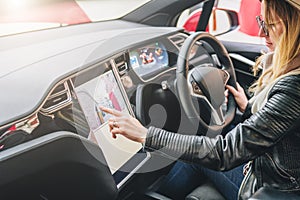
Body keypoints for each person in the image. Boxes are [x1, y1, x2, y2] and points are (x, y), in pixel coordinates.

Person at [101, 0, 300, 199]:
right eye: (261, 21)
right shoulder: (290, 72)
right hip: (274, 172)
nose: (261, 33)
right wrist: (247, 107)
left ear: (295, 27)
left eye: (271, 25)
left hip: (272, 187)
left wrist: (146, 135)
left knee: (194, 159)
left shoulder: (293, 88)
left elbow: (226, 153)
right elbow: (276, 131)